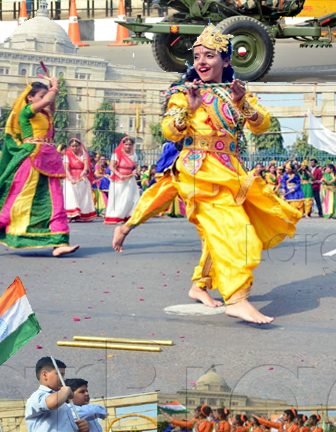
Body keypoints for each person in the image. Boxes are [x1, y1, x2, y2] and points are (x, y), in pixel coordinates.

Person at [113, 26, 300, 325]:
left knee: (216, 234)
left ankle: (199, 285)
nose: (201, 61)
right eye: (197, 55)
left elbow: (262, 125)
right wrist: (189, 109)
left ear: (225, 61)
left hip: (229, 171)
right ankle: (237, 298)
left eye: (209, 56)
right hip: (198, 169)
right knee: (234, 230)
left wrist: (244, 104)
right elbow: (169, 130)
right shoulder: (183, 93)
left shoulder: (235, 92)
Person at [0, 77, 79, 255]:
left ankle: (59, 243)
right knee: (17, 201)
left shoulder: (45, 114)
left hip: (49, 159)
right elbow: (47, 100)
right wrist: (54, 87)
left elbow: (50, 105)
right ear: (30, 98)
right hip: (31, 157)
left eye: (46, 94)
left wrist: (53, 89)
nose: (45, 98)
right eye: (40, 95)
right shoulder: (26, 111)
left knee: (55, 201)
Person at [102, 138, 141, 225]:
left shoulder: (134, 155)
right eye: (126, 144)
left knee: (131, 198)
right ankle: (116, 216)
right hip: (118, 179)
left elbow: (135, 167)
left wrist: (135, 171)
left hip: (130, 179)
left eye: (130, 145)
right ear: (123, 145)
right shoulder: (117, 154)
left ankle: (129, 216)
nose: (128, 146)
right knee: (119, 198)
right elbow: (112, 167)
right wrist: (119, 174)